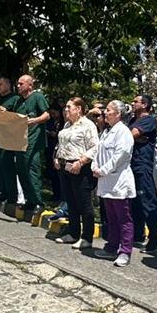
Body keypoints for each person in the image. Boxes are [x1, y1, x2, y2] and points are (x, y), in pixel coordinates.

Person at [92, 99, 136, 267]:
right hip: (106, 181)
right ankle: (111, 247)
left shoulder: (123, 132)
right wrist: (95, 166)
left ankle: (125, 251)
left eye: (109, 110)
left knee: (123, 218)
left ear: (118, 114)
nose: (105, 113)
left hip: (118, 182)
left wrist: (103, 170)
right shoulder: (107, 132)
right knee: (111, 217)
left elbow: (120, 156)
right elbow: (99, 151)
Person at [54, 97, 100, 248]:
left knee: (84, 203)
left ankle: (87, 237)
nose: (66, 110)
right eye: (65, 107)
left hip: (80, 167)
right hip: (64, 166)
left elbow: (94, 147)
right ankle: (73, 232)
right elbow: (61, 143)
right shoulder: (67, 124)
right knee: (71, 201)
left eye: (69, 107)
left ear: (78, 109)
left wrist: (81, 161)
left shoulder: (88, 125)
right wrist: (57, 157)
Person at [128, 95, 157, 251]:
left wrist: (136, 136)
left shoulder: (148, 120)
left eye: (136, 101)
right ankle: (138, 234)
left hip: (143, 165)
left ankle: (154, 239)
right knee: (134, 202)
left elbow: (129, 135)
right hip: (131, 166)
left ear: (145, 104)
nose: (133, 103)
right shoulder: (131, 120)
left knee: (147, 202)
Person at [15, 75, 51, 212]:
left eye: (21, 83)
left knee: (32, 170)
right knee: (21, 171)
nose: (18, 86)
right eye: (17, 84)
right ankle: (29, 200)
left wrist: (34, 121)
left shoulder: (38, 97)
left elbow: (46, 115)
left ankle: (38, 202)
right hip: (19, 141)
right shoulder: (19, 101)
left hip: (33, 141)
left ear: (30, 85)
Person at [0, 77, 21, 205]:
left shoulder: (15, 99)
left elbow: (17, 118)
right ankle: (1, 191)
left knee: (7, 167)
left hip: (8, 137)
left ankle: (12, 195)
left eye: (0, 84)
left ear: (8, 85)